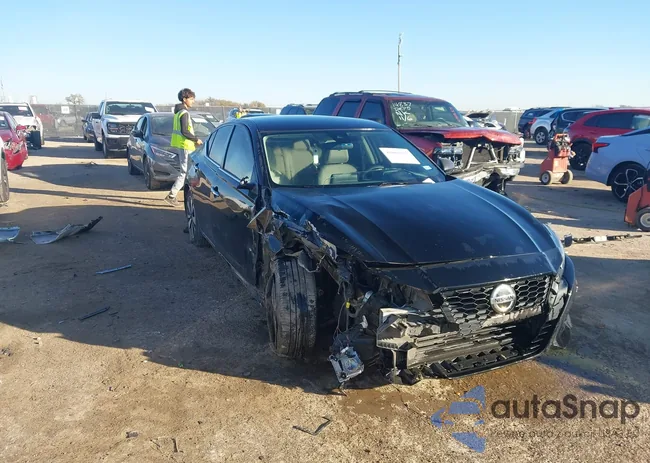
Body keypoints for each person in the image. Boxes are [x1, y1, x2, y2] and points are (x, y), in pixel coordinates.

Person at [164, 88, 203, 207]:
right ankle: (172, 196)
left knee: (188, 171)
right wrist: (196, 139)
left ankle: (190, 193)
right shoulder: (184, 113)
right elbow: (185, 131)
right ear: (184, 99)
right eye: (191, 99)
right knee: (185, 172)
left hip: (183, 145)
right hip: (186, 146)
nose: (193, 101)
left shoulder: (178, 112)